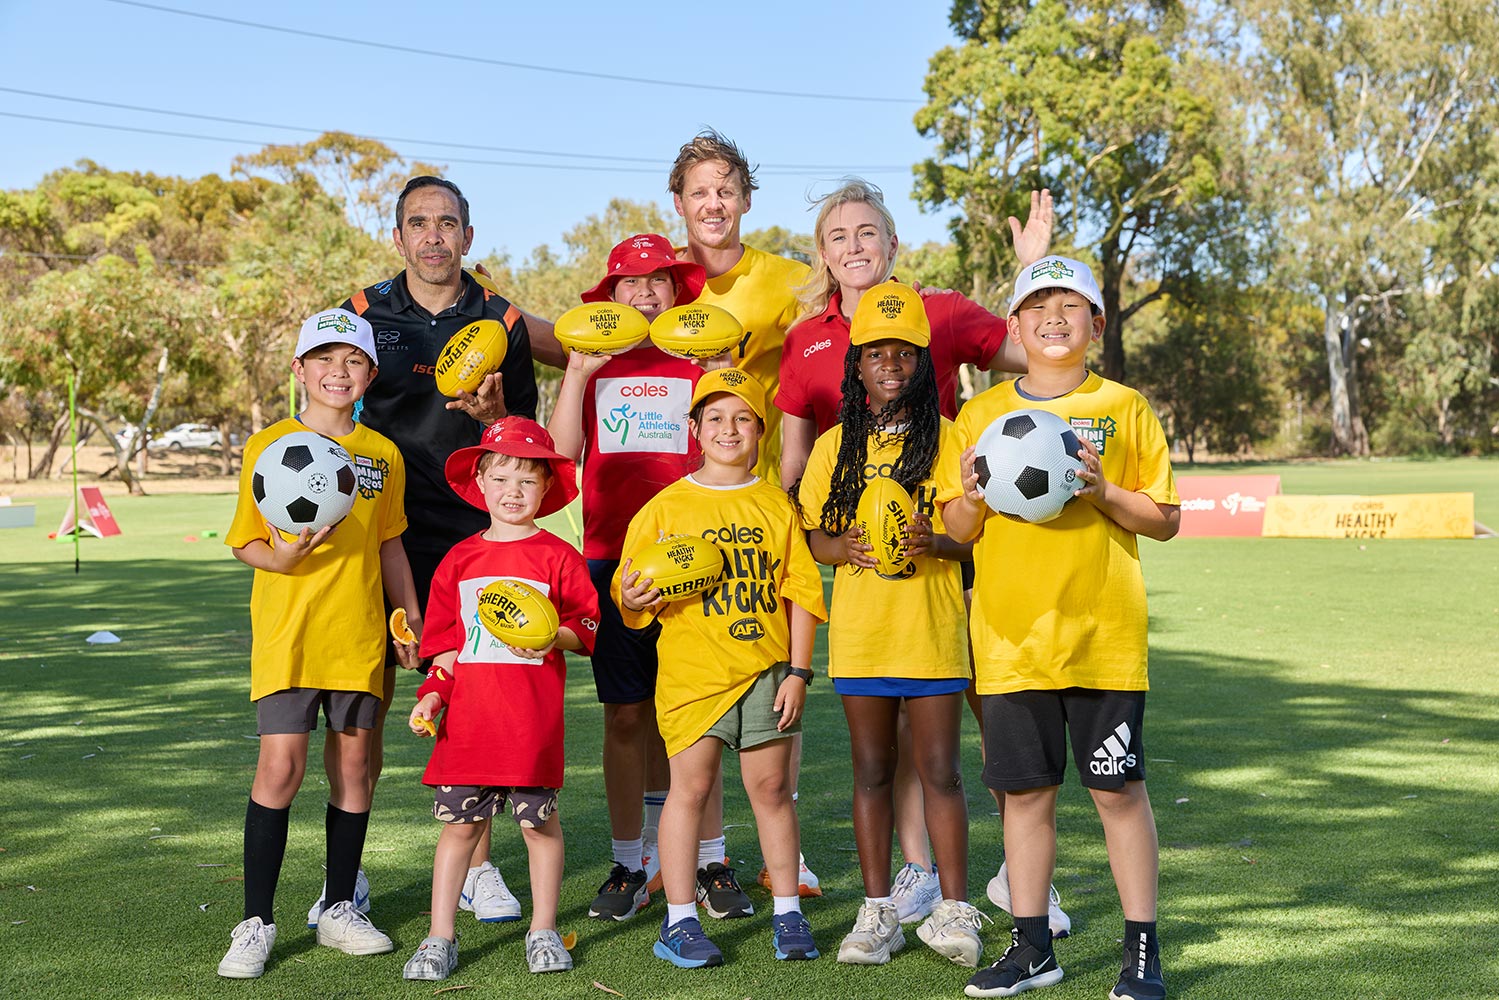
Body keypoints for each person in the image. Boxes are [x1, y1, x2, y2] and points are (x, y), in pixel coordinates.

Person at [778, 178, 1071, 937]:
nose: (853, 247)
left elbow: (1028, 349)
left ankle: (1017, 873)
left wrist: (1031, 272)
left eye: (867, 232)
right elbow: (795, 468)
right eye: (838, 237)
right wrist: (817, 543)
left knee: (989, 716)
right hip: (869, 594)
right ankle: (910, 880)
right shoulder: (807, 341)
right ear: (822, 253)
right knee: (887, 753)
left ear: (892, 241)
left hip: (951, 549)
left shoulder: (937, 312)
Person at [936, 257, 1180, 1000]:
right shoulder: (978, 418)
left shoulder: (1124, 406)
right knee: (1026, 796)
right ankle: (1032, 948)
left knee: (1117, 793)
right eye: (1036, 304)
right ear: (1012, 326)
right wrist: (974, 499)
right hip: (1010, 640)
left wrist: (1103, 489)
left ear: (1095, 325)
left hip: (1101, 635)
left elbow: (1164, 520)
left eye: (1069, 305)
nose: (1052, 316)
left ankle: (1142, 953)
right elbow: (954, 526)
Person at [336, 175, 551, 925]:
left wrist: (494, 416)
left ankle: (479, 866)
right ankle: (346, 872)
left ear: (468, 235)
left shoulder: (503, 319)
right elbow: (329, 412)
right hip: (378, 536)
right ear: (398, 236)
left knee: (475, 703)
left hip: (471, 538)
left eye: (447, 222)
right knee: (363, 708)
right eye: (418, 223)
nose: (433, 236)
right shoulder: (361, 312)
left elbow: (523, 438)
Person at [217, 308, 421, 978]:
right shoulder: (268, 445)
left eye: (353, 361)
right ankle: (255, 921)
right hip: (288, 637)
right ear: (299, 369)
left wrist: (409, 615)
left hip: (358, 636)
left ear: (369, 374)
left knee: (356, 771)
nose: (339, 372)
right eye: (325, 360)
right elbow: (248, 539)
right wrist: (277, 561)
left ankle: (338, 908)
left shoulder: (381, 454)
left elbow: (390, 543)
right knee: (280, 769)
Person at [795, 282, 988, 967]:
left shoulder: (953, 439)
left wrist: (933, 541)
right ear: (856, 365)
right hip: (862, 635)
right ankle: (877, 912)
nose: (889, 365)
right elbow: (813, 535)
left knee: (940, 772)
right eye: (875, 353)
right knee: (872, 772)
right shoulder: (833, 447)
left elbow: (978, 537)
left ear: (922, 361)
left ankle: (953, 909)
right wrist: (841, 546)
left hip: (933, 633)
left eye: (903, 353)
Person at [612, 369, 828, 969]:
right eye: (715, 418)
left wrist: (798, 672)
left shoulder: (775, 506)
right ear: (693, 429)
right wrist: (633, 599)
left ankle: (788, 910)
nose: (728, 429)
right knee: (691, 791)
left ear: (762, 429)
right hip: (692, 675)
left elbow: (802, 592)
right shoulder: (664, 508)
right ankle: (680, 921)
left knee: (772, 792)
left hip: (765, 672)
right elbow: (628, 595)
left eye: (742, 418)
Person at [668, 128, 820, 899]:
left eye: (726, 189)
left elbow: (849, 320)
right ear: (679, 203)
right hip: (680, 509)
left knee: (771, 680)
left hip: (765, 510)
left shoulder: (791, 279)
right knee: (700, 684)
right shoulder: (655, 287)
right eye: (700, 190)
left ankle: (779, 843)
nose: (714, 202)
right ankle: (710, 856)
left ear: (746, 200)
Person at [545, 234, 707, 922]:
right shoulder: (594, 364)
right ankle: (627, 859)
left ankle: (701, 859)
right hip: (612, 561)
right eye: (628, 282)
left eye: (658, 281)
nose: (644, 292)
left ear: (677, 293)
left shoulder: (698, 361)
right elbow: (557, 460)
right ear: (607, 297)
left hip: (695, 564)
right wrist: (578, 374)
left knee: (691, 721)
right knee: (624, 714)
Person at [402, 417, 598, 980]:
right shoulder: (459, 560)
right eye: (502, 477)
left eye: (528, 481)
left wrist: (550, 635)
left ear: (546, 490)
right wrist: (433, 699)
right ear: (480, 483)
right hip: (470, 725)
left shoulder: (558, 556)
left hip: (530, 724)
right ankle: (440, 936)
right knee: (460, 828)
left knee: (538, 827)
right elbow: (445, 652)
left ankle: (542, 931)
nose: (513, 492)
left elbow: (586, 628)